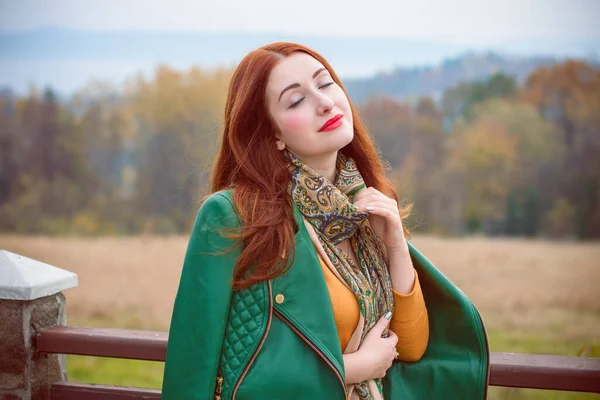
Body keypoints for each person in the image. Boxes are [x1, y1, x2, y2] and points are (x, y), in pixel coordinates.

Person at [162, 42, 489, 400]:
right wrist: (356, 368)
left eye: (325, 83)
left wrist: (396, 246)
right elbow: (195, 367)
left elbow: (409, 346)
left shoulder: (362, 209)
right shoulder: (232, 216)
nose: (324, 102)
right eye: (296, 100)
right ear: (273, 134)